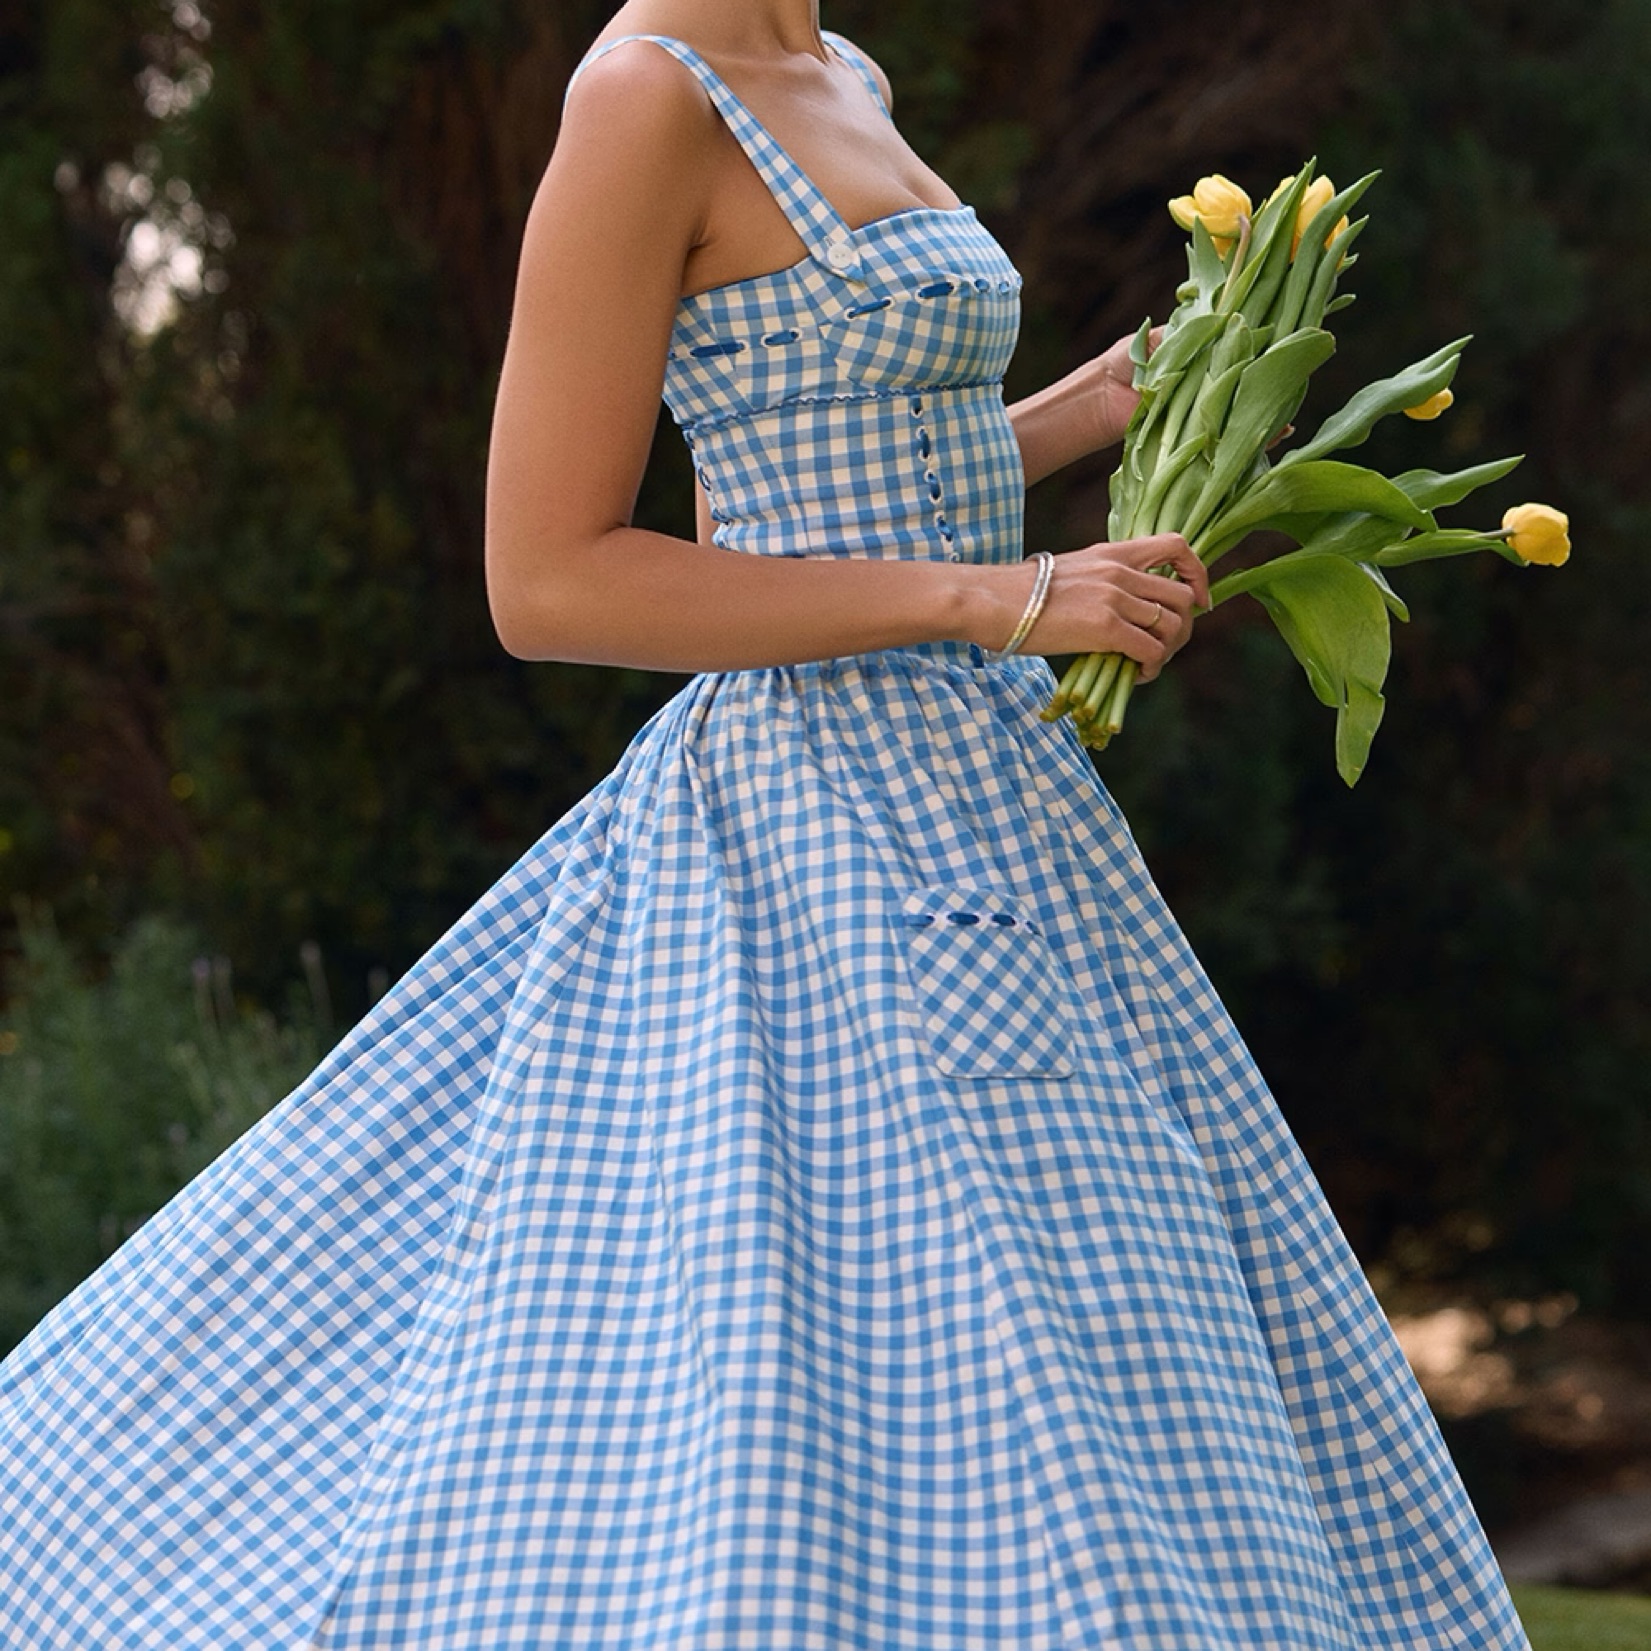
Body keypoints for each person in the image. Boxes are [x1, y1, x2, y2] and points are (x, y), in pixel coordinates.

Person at [0, 2, 1535, 1647]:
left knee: (1085, 1322)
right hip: (809, 828)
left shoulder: (840, 67)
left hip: (995, 805)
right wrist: (1003, 597)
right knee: (861, 1328)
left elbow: (838, 482)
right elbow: (548, 579)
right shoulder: (645, 96)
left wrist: (1090, 413)